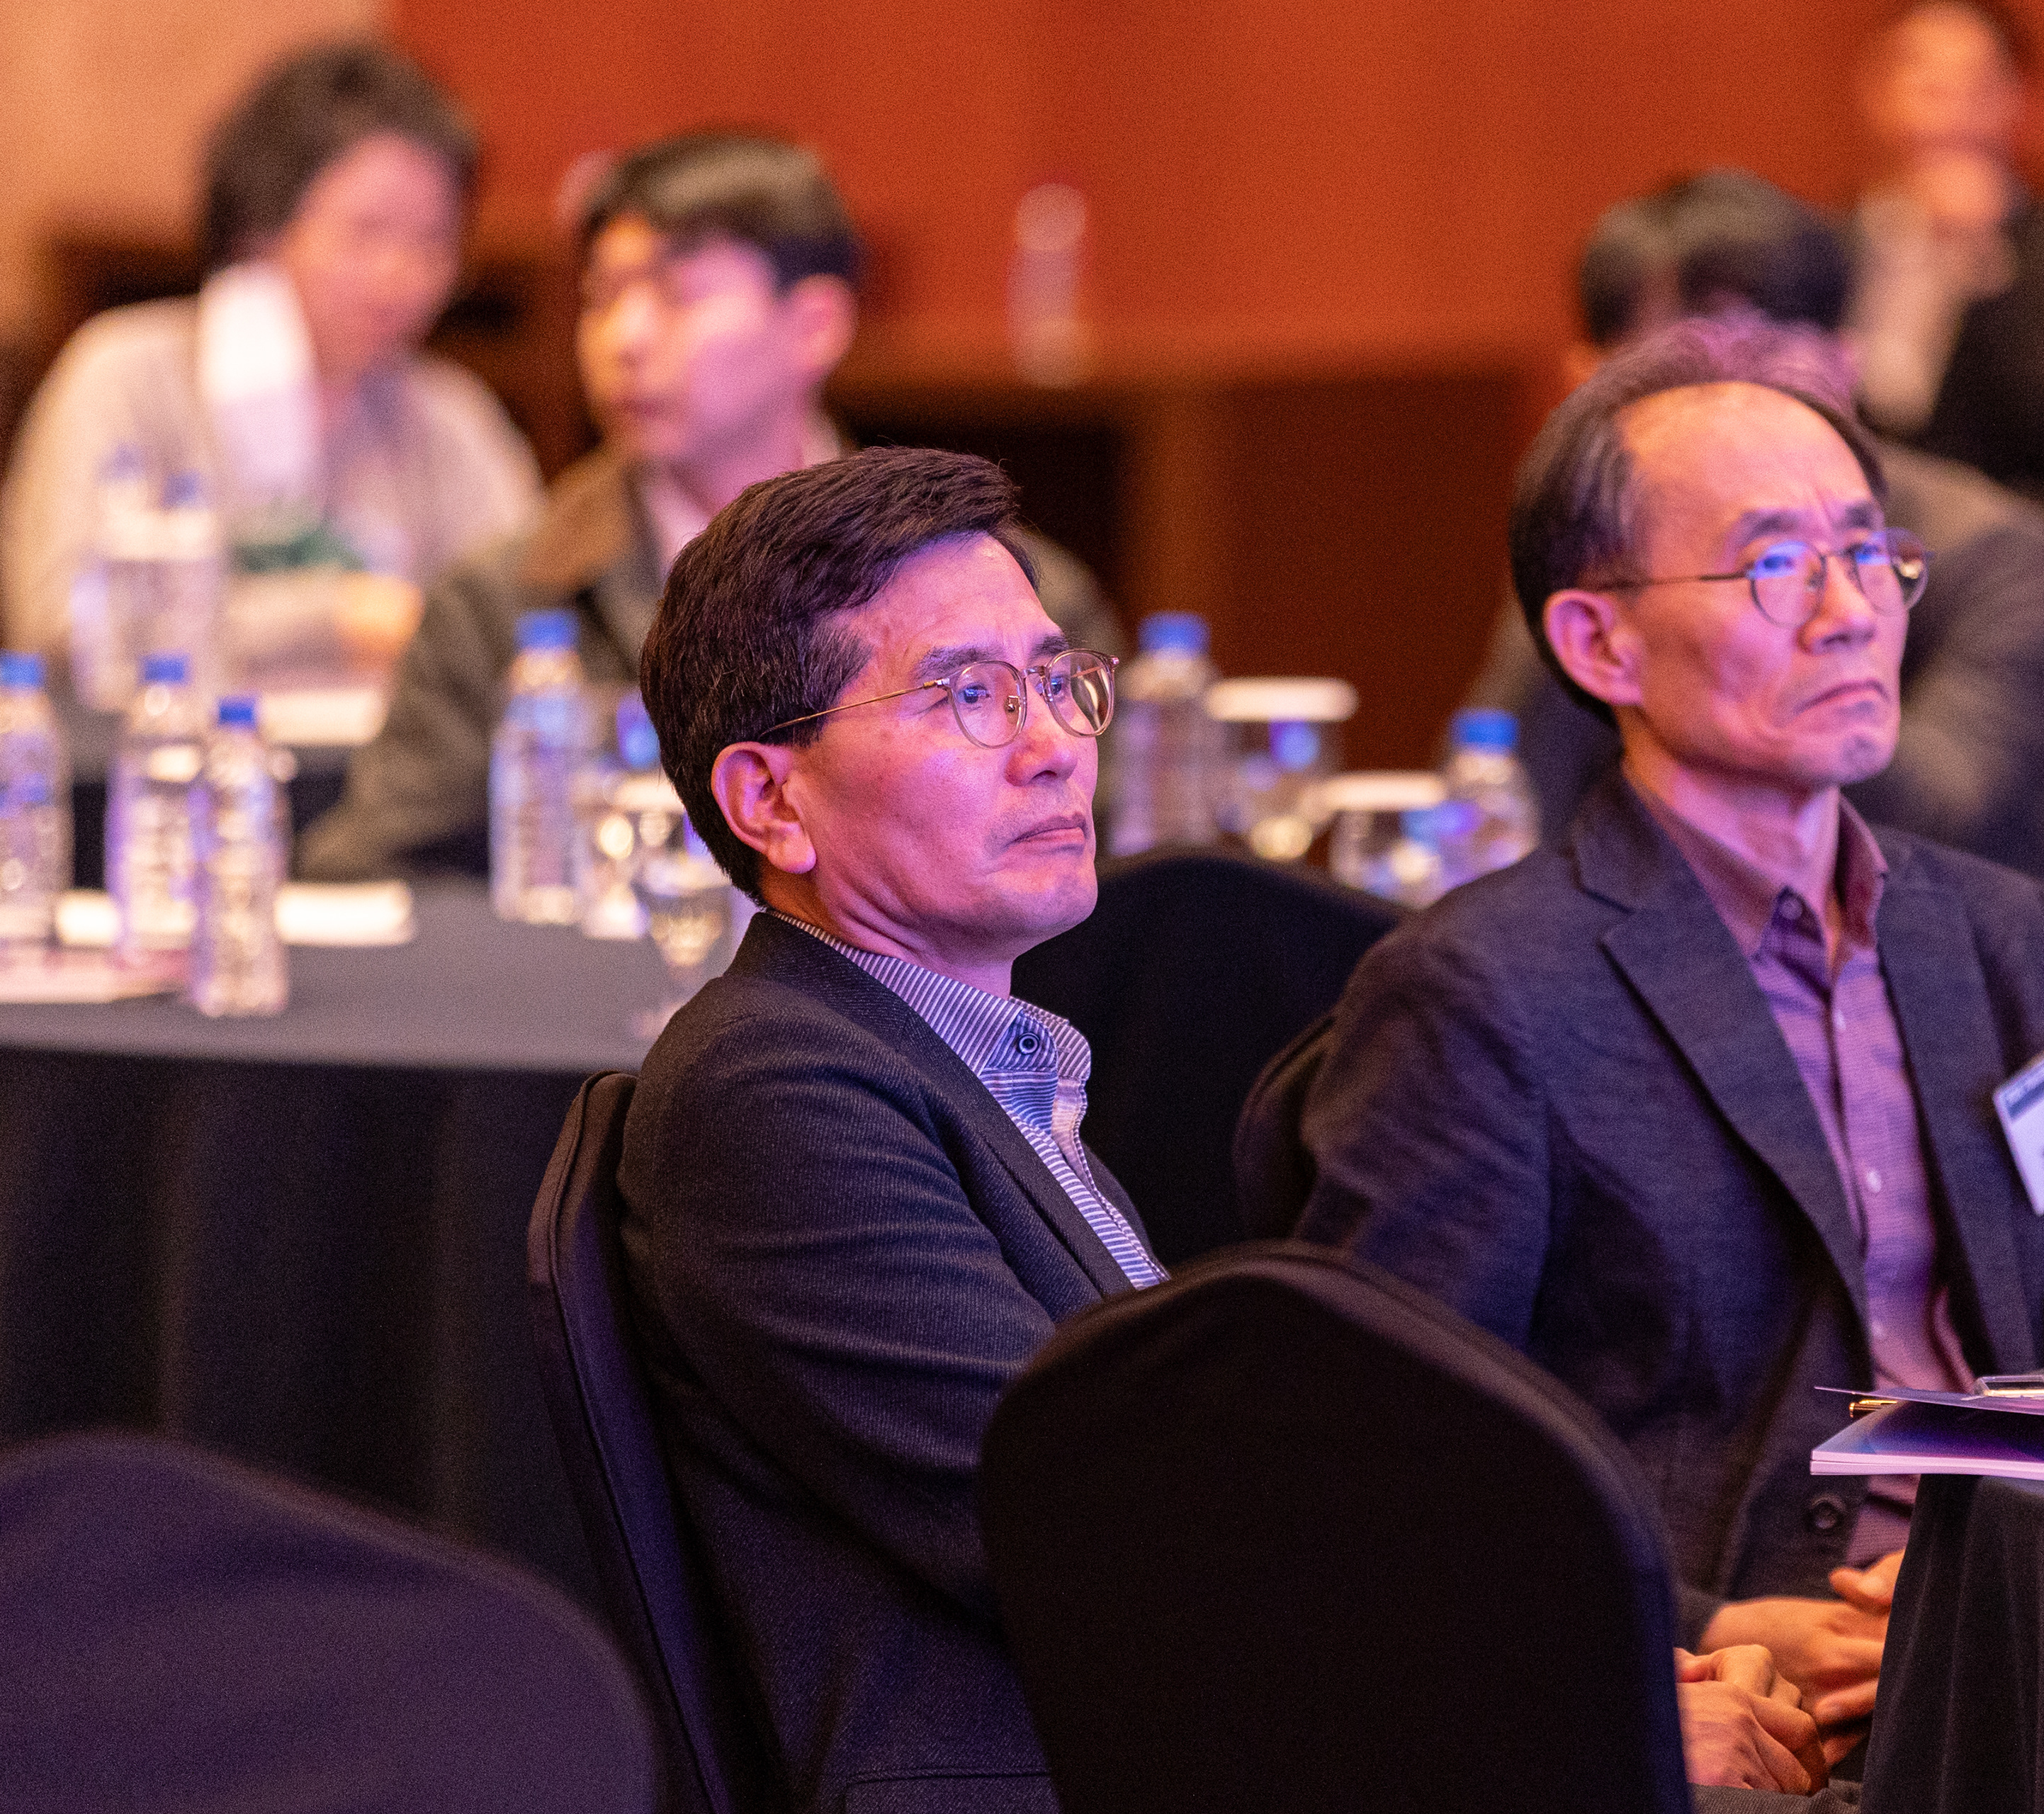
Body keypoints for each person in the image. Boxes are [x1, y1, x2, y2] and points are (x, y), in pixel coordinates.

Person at [621, 444, 1850, 1812]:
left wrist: (1646, 1649)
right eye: (968, 696)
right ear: (769, 799)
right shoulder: (775, 1092)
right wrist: (1578, 1726)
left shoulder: (969, 1069)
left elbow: (1239, 1511)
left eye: (1055, 682)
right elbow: (1115, 1550)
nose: (1052, 747)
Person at [1294, 321, 2044, 1767]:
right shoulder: (1484, 989)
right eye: (1777, 563)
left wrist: (2001, 1556)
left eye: (1870, 555)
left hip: (2022, 1642)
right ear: (1597, 641)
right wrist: (1717, 1625)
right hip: (1746, 1701)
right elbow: (1398, 1462)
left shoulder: (1995, 935)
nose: (1850, 611)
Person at [296, 131, 1120, 879]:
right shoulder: (499, 603)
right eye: (601, 299)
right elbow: (375, 876)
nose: (623, 340)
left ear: (814, 325)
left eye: (676, 295)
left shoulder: (1020, 597)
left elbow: (1096, 864)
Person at [1465, 168, 2044, 883]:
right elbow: (1503, 789)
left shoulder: (1993, 547)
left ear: (1844, 365)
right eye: (1673, 382)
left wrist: (1745, 679)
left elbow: (1946, 807)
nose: (1729, 411)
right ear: (1589, 386)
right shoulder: (1601, 535)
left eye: (1759, 369)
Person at [1, 40, 539, 682]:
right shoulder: (125, 375)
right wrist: (332, 618)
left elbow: (526, 620)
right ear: (259, 229)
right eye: (367, 231)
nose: (403, 275)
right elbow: (63, 625)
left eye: (433, 242)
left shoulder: (450, 416)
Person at [1844, 0, 2044, 500]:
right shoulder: (1832, 241)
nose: (1946, 109)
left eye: (1972, 84)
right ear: (1876, 93)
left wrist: (1981, 261)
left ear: (2020, 102)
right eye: (1923, 79)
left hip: (2002, 511)